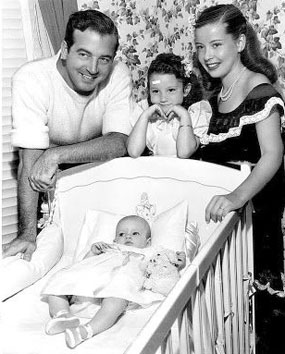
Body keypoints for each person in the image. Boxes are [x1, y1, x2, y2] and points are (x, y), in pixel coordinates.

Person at [3, 10, 138, 261]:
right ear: (65, 49)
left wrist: (55, 154)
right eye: (84, 54)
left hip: (103, 186)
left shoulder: (119, 75)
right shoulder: (32, 79)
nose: (93, 69)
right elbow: (30, 162)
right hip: (53, 191)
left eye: (104, 59)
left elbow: (119, 142)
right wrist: (27, 235)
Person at [193, 4, 285, 353]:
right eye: (201, 47)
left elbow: (272, 155)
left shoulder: (259, 90)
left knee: (260, 314)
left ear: (241, 42)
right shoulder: (215, 98)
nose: (207, 56)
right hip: (225, 228)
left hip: (255, 220)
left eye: (216, 45)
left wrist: (235, 198)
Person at [41, 215, 186, 349]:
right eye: (121, 234)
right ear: (115, 240)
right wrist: (93, 252)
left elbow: (166, 262)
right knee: (59, 282)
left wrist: (179, 260)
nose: (128, 236)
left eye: (135, 233)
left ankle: (86, 330)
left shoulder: (150, 252)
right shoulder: (109, 248)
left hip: (119, 286)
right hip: (91, 285)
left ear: (147, 242)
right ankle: (62, 314)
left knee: (116, 300)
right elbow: (83, 266)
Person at [127, 53, 211, 158]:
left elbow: (184, 153)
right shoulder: (149, 118)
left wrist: (184, 116)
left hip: (184, 173)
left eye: (171, 90)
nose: (163, 98)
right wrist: (145, 116)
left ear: (186, 90)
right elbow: (133, 152)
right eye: (156, 91)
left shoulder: (195, 114)